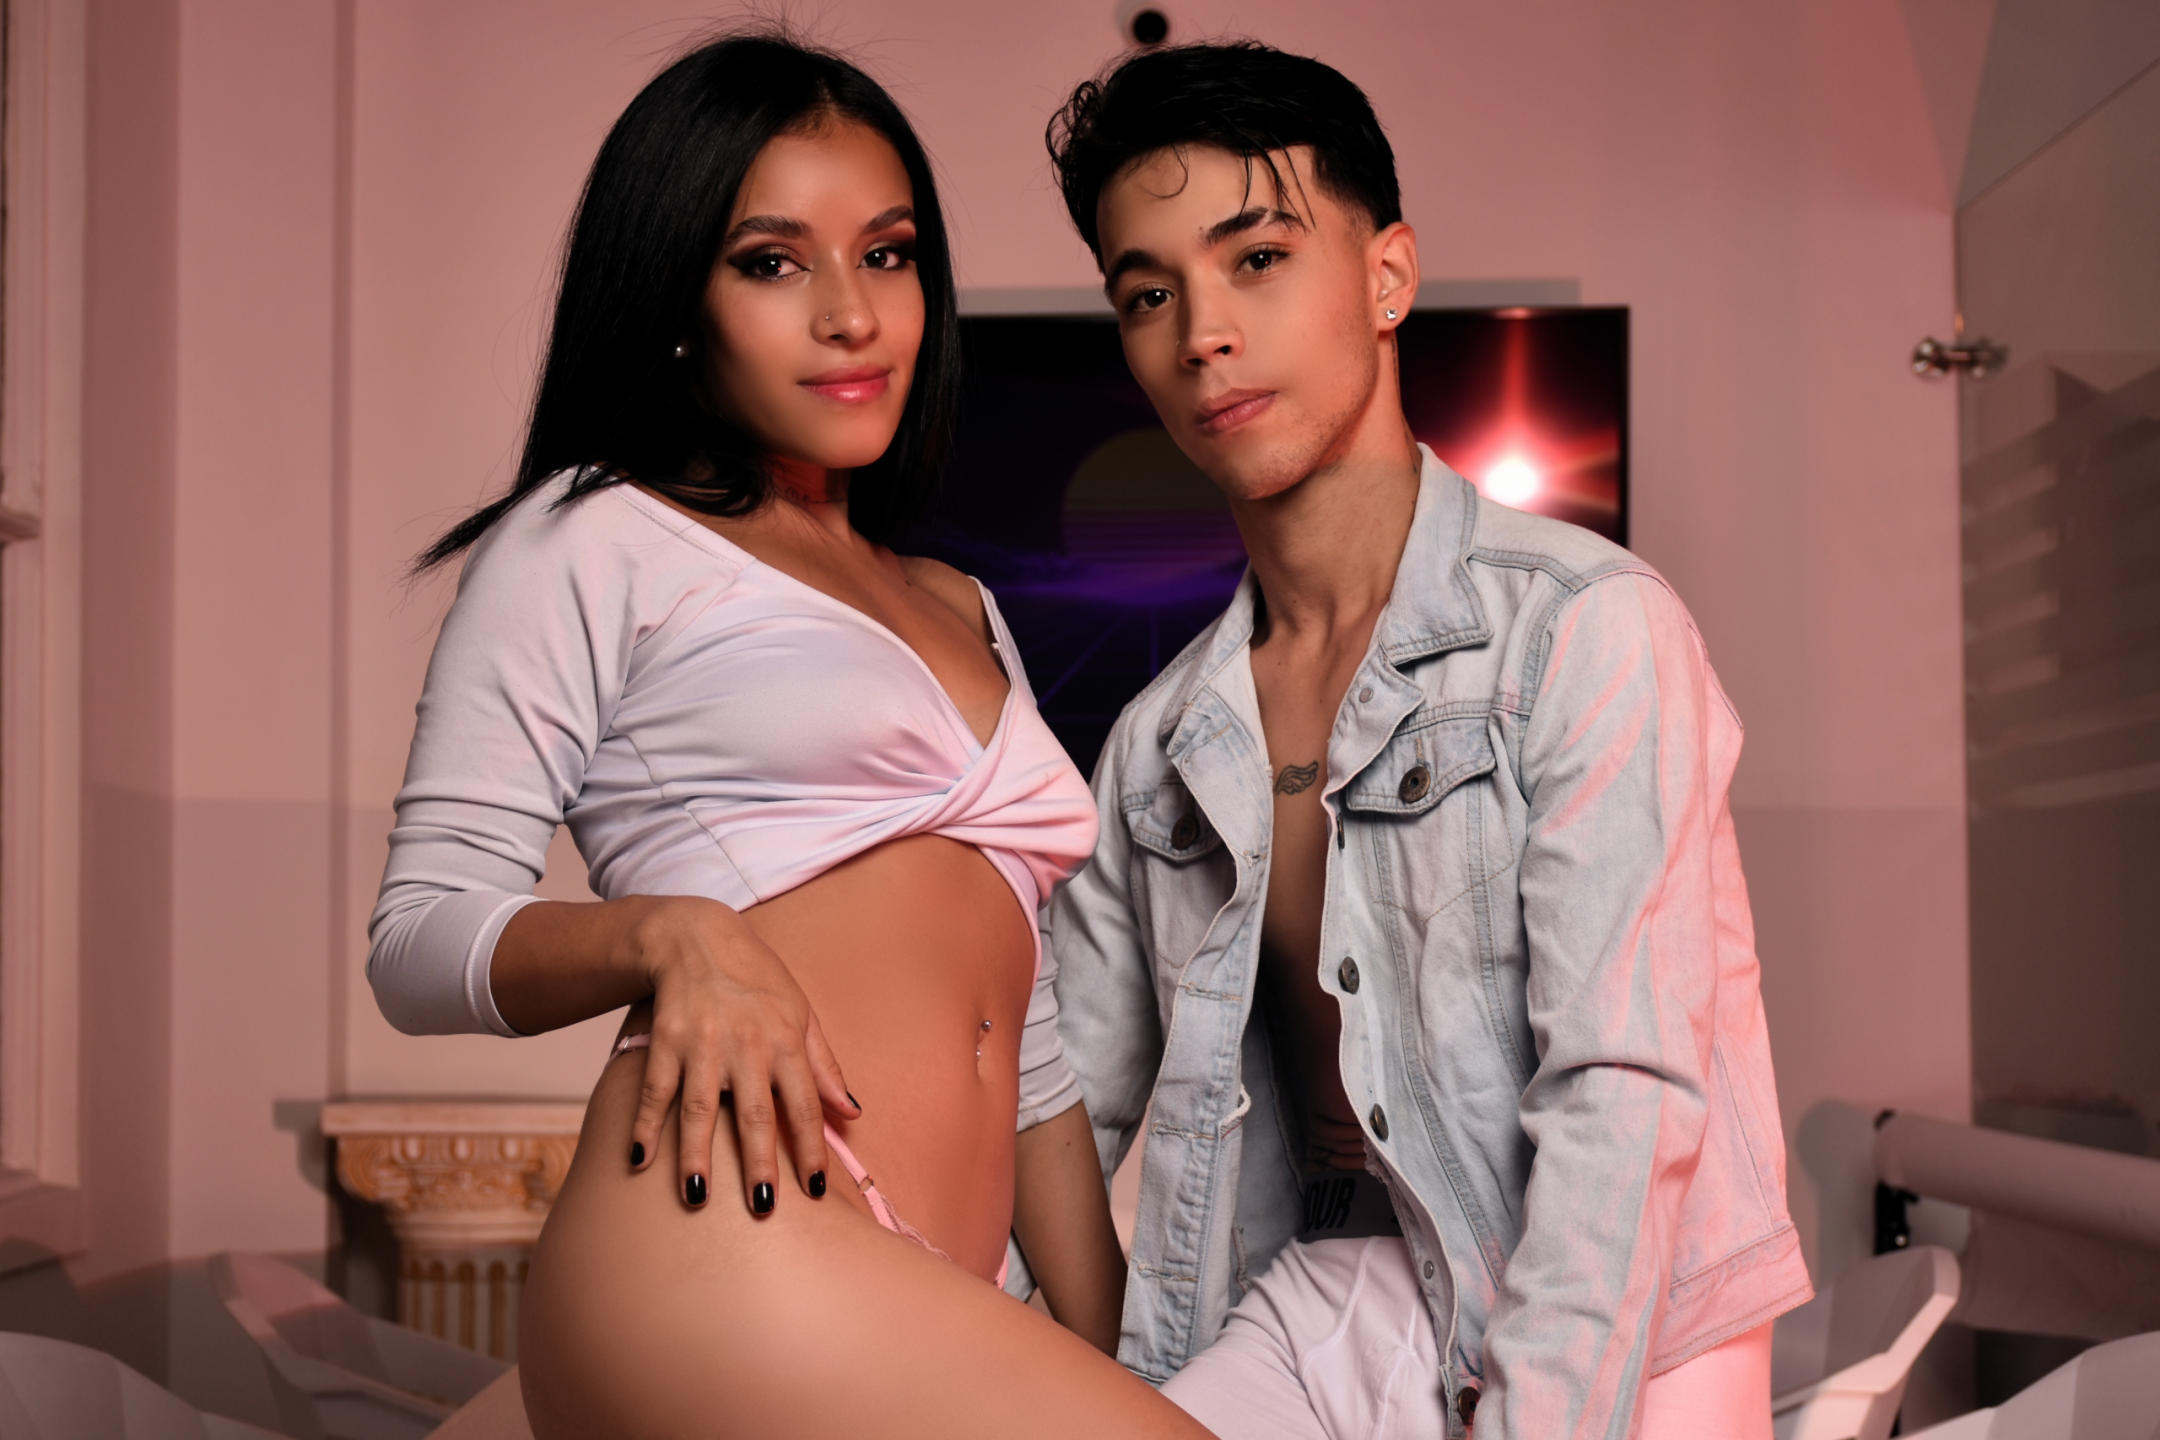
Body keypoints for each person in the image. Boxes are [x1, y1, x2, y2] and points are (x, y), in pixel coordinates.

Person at [367, 32, 1214, 1440]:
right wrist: (672, 938)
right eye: (772, 262)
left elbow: (1028, 1047)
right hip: (734, 1219)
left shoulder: (961, 603)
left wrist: (1113, 1354)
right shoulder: (595, 537)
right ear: (676, 299)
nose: (851, 314)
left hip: (929, 1278)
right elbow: (416, 940)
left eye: (887, 254)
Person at [1039, 41, 1815, 1438]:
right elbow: (1057, 1111)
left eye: (1258, 259)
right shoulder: (1161, 745)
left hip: (1626, 1312)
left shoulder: (1586, 628)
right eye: (1148, 293)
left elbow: (1622, 1093)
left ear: (1388, 276)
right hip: (1329, 1290)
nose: (1201, 332)